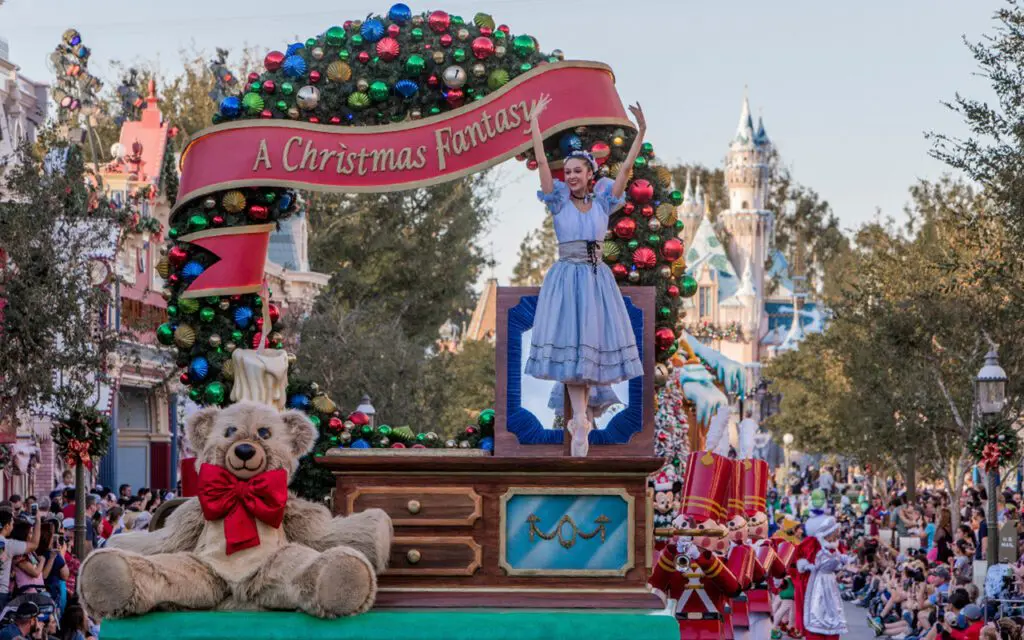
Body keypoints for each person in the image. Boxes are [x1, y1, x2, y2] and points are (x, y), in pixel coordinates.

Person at [523, 93, 646, 457]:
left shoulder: (604, 199)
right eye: (569, 172)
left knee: (589, 352)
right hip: (567, 277)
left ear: (591, 175)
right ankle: (580, 419)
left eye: (579, 171)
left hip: (596, 280)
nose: (572, 176)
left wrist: (641, 133)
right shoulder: (557, 198)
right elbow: (543, 164)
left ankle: (581, 419)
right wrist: (535, 126)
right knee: (572, 353)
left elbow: (625, 172)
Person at [0, 511, 40, 609]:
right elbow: (34, 545)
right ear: (7, 526)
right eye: (12, 524)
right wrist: (38, 521)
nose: (13, 527)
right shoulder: (9, 545)